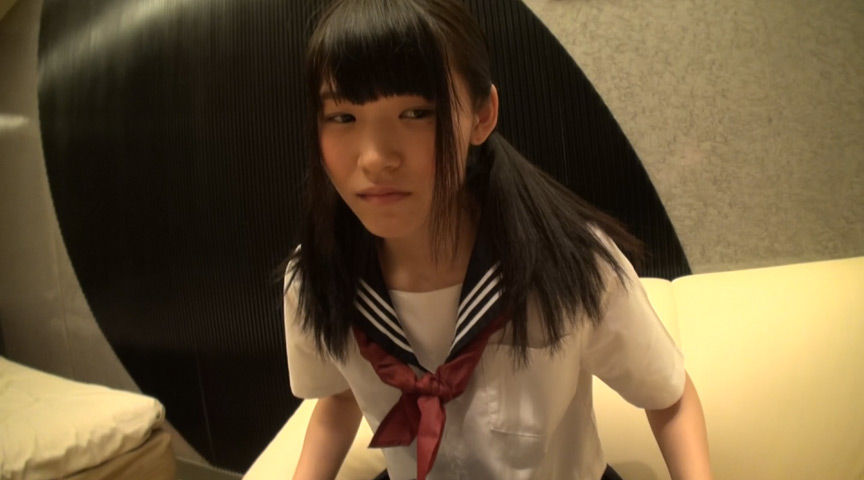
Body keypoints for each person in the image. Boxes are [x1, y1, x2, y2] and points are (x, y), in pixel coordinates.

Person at [283, 0, 713, 479]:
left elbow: (669, 397)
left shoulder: (571, 264)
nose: (374, 158)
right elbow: (340, 396)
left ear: (482, 115)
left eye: (416, 113)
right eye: (343, 117)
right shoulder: (317, 276)